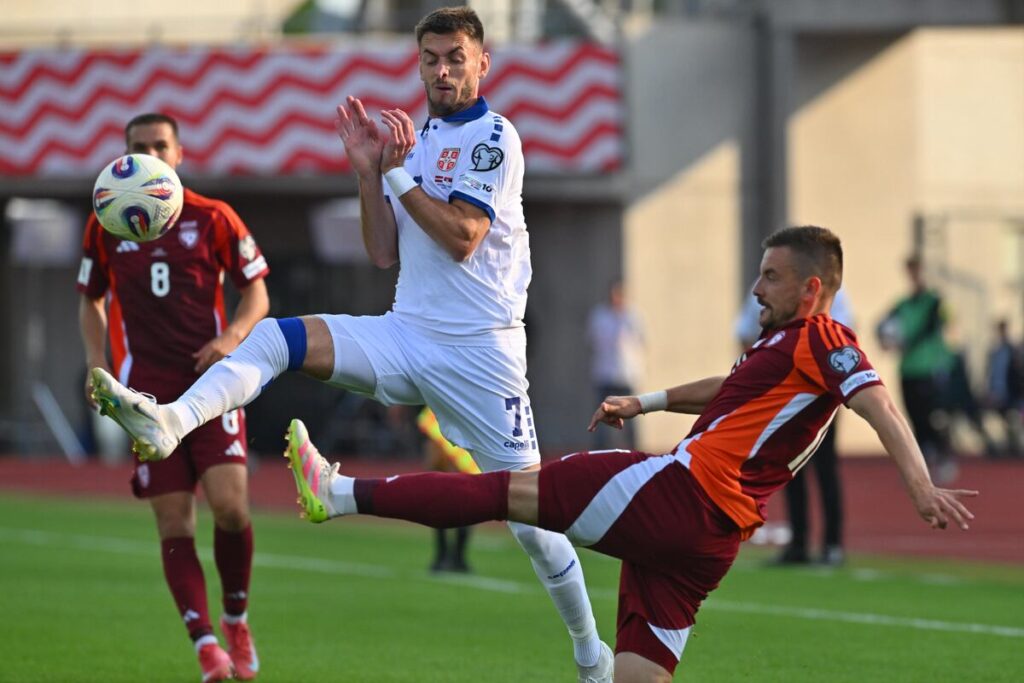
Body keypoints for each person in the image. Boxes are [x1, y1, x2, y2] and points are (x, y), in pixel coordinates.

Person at [88, 8, 612, 681]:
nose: (443, 70)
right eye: (431, 58)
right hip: (405, 333)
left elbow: (462, 238)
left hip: (481, 355)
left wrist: (396, 178)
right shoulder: (416, 140)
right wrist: (370, 172)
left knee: (534, 525)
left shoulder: (494, 137)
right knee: (279, 337)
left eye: (455, 56)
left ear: (483, 63)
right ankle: (172, 419)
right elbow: (381, 250)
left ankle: (591, 655)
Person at [282, 226, 978, 683]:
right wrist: (642, 402)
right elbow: (726, 388)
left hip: (681, 494)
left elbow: (879, 403)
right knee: (636, 678)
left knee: (507, 490)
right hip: (710, 542)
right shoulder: (781, 346)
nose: (755, 288)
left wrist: (918, 485)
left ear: (811, 288)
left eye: (769, 276)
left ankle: (339, 493)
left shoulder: (825, 336)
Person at [78, 113, 269, 682]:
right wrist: (98, 368)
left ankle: (236, 617)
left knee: (232, 506)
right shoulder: (105, 220)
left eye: (159, 146)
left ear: (178, 154)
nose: (149, 154)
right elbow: (89, 299)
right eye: (139, 147)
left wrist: (231, 339)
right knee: (173, 523)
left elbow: (256, 291)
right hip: (143, 395)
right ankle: (206, 643)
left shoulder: (213, 217)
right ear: (124, 154)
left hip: (212, 389)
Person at [736, 287, 855, 566]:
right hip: (784, 398)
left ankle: (832, 544)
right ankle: (799, 543)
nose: (762, 284)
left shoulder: (831, 291)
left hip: (820, 397)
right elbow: (743, 329)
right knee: (789, 470)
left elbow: (844, 337)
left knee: (825, 468)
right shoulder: (769, 286)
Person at [877, 254, 958, 482]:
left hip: (929, 368)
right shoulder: (903, 304)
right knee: (914, 418)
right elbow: (882, 324)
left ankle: (944, 456)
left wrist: (906, 343)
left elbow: (932, 327)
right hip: (908, 369)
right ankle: (923, 464)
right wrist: (884, 339)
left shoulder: (935, 301)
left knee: (933, 416)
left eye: (917, 270)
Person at [419, 406, 479, 572]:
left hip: (462, 470)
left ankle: (456, 558)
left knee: (464, 516)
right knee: (443, 515)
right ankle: (444, 557)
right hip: (448, 471)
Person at [587, 280, 645, 450]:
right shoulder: (599, 316)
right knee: (602, 416)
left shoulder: (633, 317)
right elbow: (592, 341)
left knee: (631, 419)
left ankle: (633, 452)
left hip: (626, 375)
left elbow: (642, 342)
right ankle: (600, 452)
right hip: (605, 374)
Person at [984, 319, 1023, 456]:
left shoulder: (1014, 351)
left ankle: (1015, 444)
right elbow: (992, 376)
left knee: (1017, 416)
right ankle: (1005, 445)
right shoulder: (995, 352)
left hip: (1014, 397)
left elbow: (1017, 377)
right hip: (999, 397)